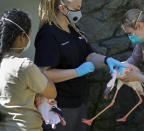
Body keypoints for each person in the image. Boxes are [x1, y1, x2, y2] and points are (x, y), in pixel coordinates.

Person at [34, 0, 126, 131]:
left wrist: (107, 60)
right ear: (62, 8)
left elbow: (89, 56)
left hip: (78, 104)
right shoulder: (48, 33)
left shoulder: (74, 30)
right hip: (58, 107)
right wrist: (76, 72)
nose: (80, 12)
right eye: (77, 8)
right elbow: (43, 73)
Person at [0, 9, 57, 131]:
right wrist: (41, 70)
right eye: (29, 35)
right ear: (22, 36)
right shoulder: (24, 66)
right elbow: (51, 92)